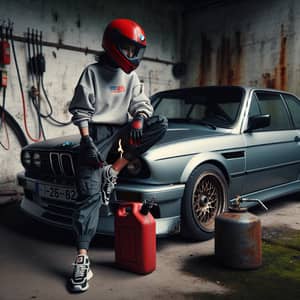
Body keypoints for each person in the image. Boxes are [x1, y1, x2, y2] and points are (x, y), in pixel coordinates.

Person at [68, 18, 168, 292]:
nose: (132, 55)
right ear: (112, 45)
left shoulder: (131, 76)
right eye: (128, 48)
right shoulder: (91, 73)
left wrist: (138, 118)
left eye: (136, 50)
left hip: (123, 135)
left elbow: (141, 103)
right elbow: (81, 110)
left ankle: (113, 171)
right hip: (95, 137)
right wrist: (86, 139)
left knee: (160, 124)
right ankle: (82, 258)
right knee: (88, 195)